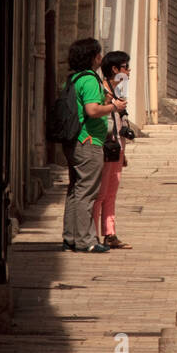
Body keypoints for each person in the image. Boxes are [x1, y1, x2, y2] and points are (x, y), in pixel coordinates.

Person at [61, 38, 117, 253]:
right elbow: (92, 110)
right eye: (99, 54)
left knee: (75, 190)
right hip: (89, 141)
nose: (101, 58)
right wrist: (113, 106)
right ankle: (86, 241)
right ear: (93, 57)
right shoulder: (91, 80)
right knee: (87, 192)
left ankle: (70, 238)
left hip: (73, 141)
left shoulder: (73, 79)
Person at [93, 51, 132, 249]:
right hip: (104, 147)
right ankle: (93, 235)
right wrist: (111, 104)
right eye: (126, 67)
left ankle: (110, 233)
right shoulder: (103, 91)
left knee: (111, 193)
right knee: (100, 193)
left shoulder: (119, 92)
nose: (129, 70)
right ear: (115, 70)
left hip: (117, 148)